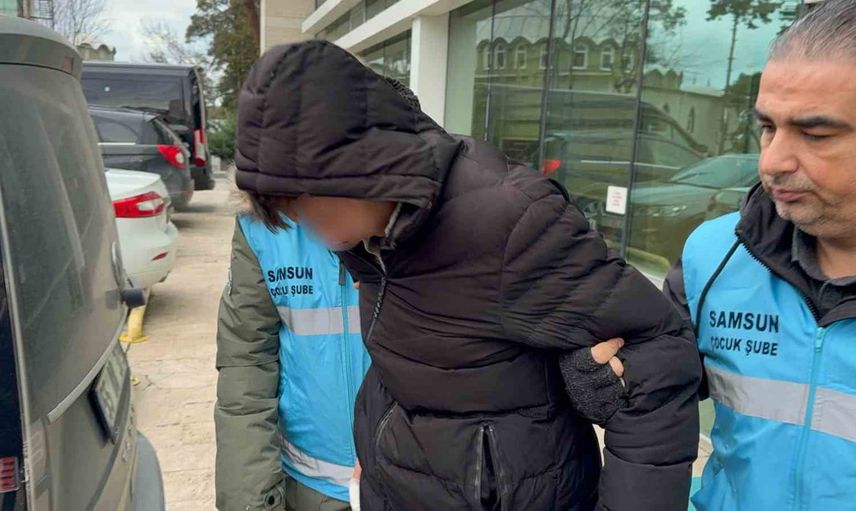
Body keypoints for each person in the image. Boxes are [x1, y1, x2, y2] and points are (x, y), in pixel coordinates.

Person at [233, 40, 702, 511]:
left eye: (309, 207)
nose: (307, 228)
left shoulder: (510, 220)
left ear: (362, 167)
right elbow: (415, 352)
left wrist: (594, 382)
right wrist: (375, 449)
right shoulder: (368, 236)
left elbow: (660, 358)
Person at [562, 1, 856, 509]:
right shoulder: (716, 253)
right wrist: (605, 379)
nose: (773, 161)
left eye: (815, 134)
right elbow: (661, 377)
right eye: (768, 127)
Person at [214, 195, 370, 511]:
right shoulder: (259, 223)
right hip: (308, 487)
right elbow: (246, 363)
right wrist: (250, 499)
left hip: (413, 481)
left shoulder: (415, 214)